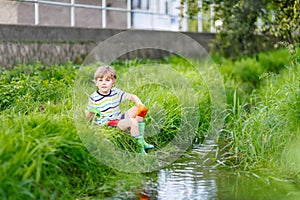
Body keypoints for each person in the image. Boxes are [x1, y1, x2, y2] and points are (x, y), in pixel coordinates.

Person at [85, 65, 154, 155]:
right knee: (132, 122)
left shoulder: (115, 92)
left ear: (113, 82)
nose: (104, 83)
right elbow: (86, 117)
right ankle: (140, 151)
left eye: (107, 80)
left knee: (138, 109)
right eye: (100, 80)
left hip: (117, 118)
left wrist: (139, 103)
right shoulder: (94, 97)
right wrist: (91, 111)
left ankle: (141, 141)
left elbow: (132, 96)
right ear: (96, 83)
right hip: (107, 124)